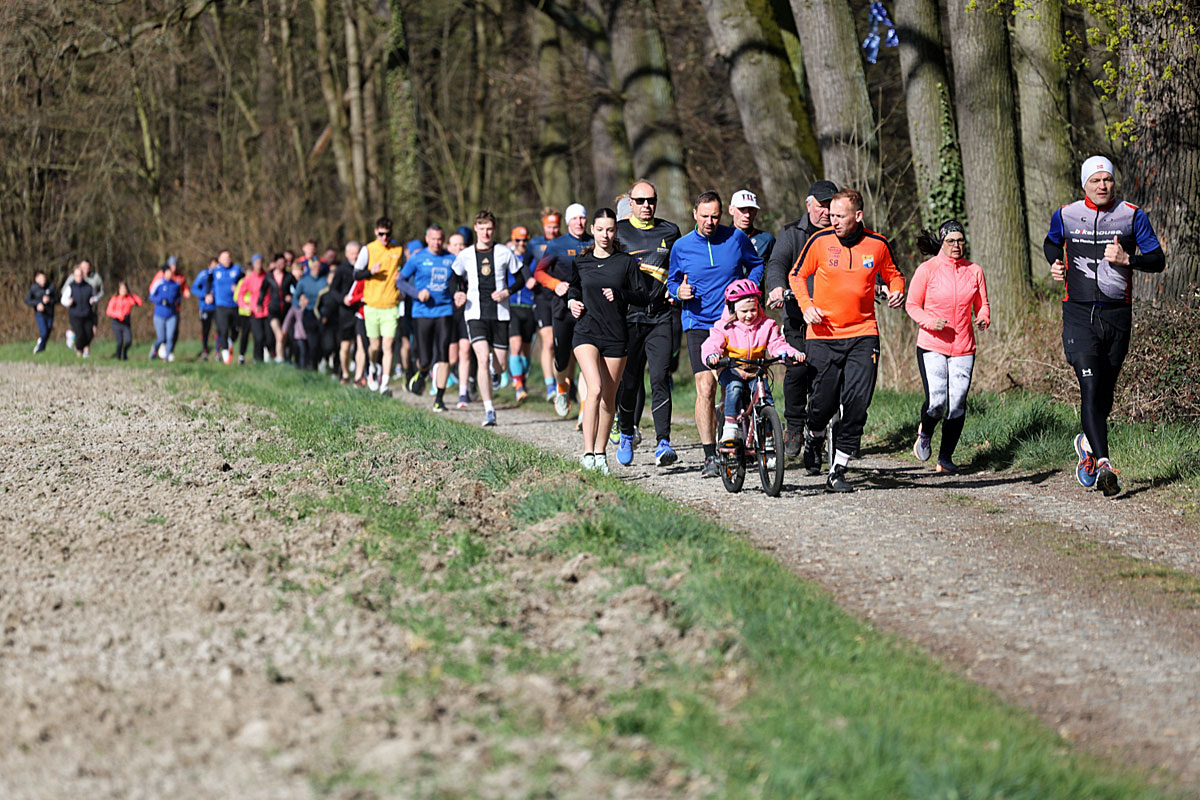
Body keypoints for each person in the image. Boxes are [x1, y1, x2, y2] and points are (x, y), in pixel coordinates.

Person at [1045, 155, 1165, 497]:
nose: (1102, 185)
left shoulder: (1132, 215)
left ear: (1114, 182)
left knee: (1105, 397)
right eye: (1095, 180)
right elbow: (1052, 241)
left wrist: (1129, 259)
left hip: (1117, 315)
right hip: (1079, 314)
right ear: (1084, 184)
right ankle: (1103, 465)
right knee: (1090, 387)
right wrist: (1055, 262)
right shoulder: (1066, 214)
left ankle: (1086, 444)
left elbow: (1158, 260)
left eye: (1107, 179)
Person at [789, 188, 905, 493]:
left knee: (857, 402)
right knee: (823, 403)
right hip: (823, 335)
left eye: (840, 216)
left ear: (858, 216)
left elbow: (894, 275)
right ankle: (814, 435)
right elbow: (796, 275)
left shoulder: (877, 244)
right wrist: (806, 306)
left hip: (863, 333)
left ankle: (838, 468)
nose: (833, 220)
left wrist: (896, 291)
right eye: (831, 215)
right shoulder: (819, 241)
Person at [667, 191, 765, 477]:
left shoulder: (736, 238)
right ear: (694, 214)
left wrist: (749, 290)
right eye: (704, 216)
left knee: (731, 385)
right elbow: (672, 280)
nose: (710, 222)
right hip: (698, 322)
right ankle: (710, 455)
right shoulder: (681, 246)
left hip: (732, 322)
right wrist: (679, 291)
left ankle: (732, 440)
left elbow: (756, 264)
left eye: (715, 216)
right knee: (705, 387)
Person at [566, 207, 656, 474]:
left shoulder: (625, 262)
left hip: (616, 335)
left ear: (616, 231)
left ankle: (600, 454)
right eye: (600, 230)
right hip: (586, 332)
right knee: (594, 389)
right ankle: (587, 454)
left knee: (608, 398)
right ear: (592, 230)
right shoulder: (581, 261)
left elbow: (643, 296)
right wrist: (572, 301)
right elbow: (574, 287)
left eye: (610, 230)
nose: (605, 235)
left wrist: (620, 294)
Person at [905, 221, 990, 473]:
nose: (956, 245)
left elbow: (982, 304)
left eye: (960, 240)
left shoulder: (974, 271)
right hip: (932, 344)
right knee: (937, 401)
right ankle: (925, 433)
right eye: (951, 241)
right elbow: (912, 305)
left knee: (957, 404)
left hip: (963, 346)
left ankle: (945, 458)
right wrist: (931, 322)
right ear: (942, 243)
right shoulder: (927, 270)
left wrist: (983, 317)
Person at [766, 179, 837, 459]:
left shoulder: (843, 234)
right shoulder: (792, 233)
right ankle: (794, 426)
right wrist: (777, 287)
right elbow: (777, 264)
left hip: (834, 319)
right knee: (797, 369)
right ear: (809, 205)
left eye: (831, 206)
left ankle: (827, 431)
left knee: (828, 376)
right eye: (821, 206)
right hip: (798, 317)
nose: (827, 212)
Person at [615, 179, 683, 468]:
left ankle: (663, 442)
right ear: (630, 203)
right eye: (640, 201)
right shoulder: (618, 232)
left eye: (651, 201)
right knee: (629, 381)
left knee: (659, 378)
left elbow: (682, 267)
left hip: (660, 317)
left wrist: (676, 288)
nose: (646, 206)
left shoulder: (670, 231)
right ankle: (626, 433)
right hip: (628, 318)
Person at [701, 279, 803, 446]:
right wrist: (712, 356)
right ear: (733, 309)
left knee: (765, 396)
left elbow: (777, 344)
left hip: (755, 370)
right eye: (744, 311)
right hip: (732, 370)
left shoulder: (767, 325)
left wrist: (790, 354)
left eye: (753, 310)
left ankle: (769, 433)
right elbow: (712, 344)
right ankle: (730, 426)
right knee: (735, 388)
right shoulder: (724, 327)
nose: (749, 315)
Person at [451, 209, 529, 426]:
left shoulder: (504, 252)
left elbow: (522, 278)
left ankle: (496, 371)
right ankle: (489, 410)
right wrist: (457, 294)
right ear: (476, 228)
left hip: (500, 314)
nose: (486, 233)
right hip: (474, 313)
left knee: (501, 365)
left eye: (489, 229)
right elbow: (454, 278)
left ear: (494, 230)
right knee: (483, 358)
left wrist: (507, 292)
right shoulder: (466, 254)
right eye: (482, 229)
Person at [534, 203, 593, 419]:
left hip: (587, 308)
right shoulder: (557, 245)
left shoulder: (593, 242)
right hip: (562, 308)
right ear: (568, 222)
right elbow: (539, 272)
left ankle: (585, 410)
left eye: (582, 218)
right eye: (575, 218)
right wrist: (555, 284)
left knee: (586, 358)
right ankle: (561, 387)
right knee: (561, 359)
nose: (579, 222)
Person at [401, 225, 457, 411]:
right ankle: (422, 373)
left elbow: (461, 280)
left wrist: (459, 293)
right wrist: (416, 294)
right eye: (433, 239)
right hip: (422, 312)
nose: (437, 243)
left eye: (440, 239)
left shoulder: (451, 259)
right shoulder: (417, 258)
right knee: (425, 359)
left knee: (443, 355)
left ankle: (439, 399)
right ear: (427, 239)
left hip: (445, 311)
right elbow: (400, 281)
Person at [354, 216, 406, 394]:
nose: (385, 238)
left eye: (388, 234)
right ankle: (372, 368)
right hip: (372, 305)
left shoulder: (398, 250)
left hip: (391, 305)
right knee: (374, 346)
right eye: (381, 234)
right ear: (376, 232)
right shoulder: (368, 249)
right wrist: (370, 272)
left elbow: (405, 271)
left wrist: (402, 280)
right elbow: (356, 274)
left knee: (388, 346)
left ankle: (385, 383)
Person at [529, 209, 562, 402]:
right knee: (548, 342)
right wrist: (528, 278)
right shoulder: (534, 244)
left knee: (563, 344)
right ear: (543, 226)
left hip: (561, 296)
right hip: (542, 297)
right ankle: (550, 386)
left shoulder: (565, 242)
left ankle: (564, 383)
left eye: (556, 226)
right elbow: (523, 264)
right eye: (549, 226)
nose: (553, 230)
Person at [505, 226, 537, 401]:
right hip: (512, 306)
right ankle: (518, 385)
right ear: (513, 240)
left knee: (525, 350)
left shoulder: (533, 258)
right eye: (518, 240)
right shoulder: (507, 258)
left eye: (525, 240)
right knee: (515, 345)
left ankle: (521, 379)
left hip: (529, 306)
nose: (521, 243)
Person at [327, 241, 361, 383]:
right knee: (345, 346)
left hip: (361, 311)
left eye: (357, 253)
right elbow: (333, 290)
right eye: (352, 253)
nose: (355, 256)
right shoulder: (341, 269)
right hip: (345, 313)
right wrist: (343, 299)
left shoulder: (364, 269)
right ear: (347, 254)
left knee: (361, 345)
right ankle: (345, 374)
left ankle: (359, 376)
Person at [446, 231, 472, 407]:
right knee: (452, 357)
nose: (459, 248)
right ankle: (438, 381)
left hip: (466, 311)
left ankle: (463, 393)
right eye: (455, 245)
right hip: (448, 312)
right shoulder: (444, 263)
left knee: (465, 351)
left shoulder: (470, 263)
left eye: (462, 244)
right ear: (449, 247)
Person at [149, 256, 192, 359]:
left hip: (173, 312)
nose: (174, 267)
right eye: (172, 265)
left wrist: (185, 293)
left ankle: (168, 356)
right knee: (162, 337)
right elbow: (152, 293)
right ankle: (157, 350)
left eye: (175, 265)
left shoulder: (179, 278)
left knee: (171, 335)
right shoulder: (159, 277)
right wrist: (160, 300)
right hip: (160, 312)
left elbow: (182, 290)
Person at [209, 249, 244, 364]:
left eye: (228, 257)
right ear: (219, 260)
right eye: (224, 258)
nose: (227, 260)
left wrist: (238, 288)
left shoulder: (237, 269)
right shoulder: (214, 271)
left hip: (235, 305)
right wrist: (208, 294)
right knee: (223, 330)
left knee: (236, 330)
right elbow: (208, 283)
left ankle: (230, 342)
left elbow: (245, 282)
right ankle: (225, 355)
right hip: (221, 305)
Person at [235, 255, 271, 363]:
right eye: (256, 263)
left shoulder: (268, 277)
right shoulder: (249, 279)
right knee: (258, 337)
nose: (259, 265)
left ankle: (270, 357)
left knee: (269, 338)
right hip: (255, 313)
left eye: (260, 263)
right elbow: (240, 295)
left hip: (268, 311)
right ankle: (257, 360)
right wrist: (244, 306)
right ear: (253, 265)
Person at [295, 254, 328, 369]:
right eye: (315, 265)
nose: (317, 268)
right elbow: (295, 298)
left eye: (319, 265)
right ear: (310, 266)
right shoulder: (304, 281)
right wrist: (300, 303)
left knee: (323, 343)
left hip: (322, 315)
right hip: (309, 314)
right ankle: (313, 366)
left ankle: (320, 362)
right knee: (312, 343)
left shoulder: (324, 281)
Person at [61, 259, 103, 351]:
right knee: (80, 334)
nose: (85, 269)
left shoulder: (91, 283)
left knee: (90, 333)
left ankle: (80, 347)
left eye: (87, 267)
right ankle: (81, 350)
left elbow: (98, 293)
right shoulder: (71, 284)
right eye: (83, 267)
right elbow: (63, 296)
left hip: (89, 312)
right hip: (76, 313)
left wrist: (94, 300)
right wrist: (68, 302)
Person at [264, 254, 295, 363]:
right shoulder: (269, 276)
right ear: (275, 263)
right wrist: (259, 304)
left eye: (284, 263)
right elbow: (262, 291)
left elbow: (297, 289)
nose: (282, 265)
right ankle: (280, 358)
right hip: (273, 309)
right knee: (279, 335)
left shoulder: (289, 276)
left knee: (284, 336)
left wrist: (291, 297)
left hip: (286, 310)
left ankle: (283, 357)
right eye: (280, 263)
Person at [729, 189, 775, 260]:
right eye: (742, 209)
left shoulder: (767, 240)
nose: (747, 215)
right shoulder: (720, 238)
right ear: (731, 210)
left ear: (756, 212)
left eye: (751, 209)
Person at [106, 281, 142, 360]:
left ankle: (124, 352)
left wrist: (132, 295)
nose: (123, 290)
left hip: (126, 322)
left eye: (125, 288)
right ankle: (118, 356)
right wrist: (118, 314)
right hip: (116, 322)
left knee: (128, 341)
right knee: (119, 342)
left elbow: (139, 303)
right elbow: (108, 311)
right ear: (118, 289)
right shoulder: (114, 299)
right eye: (121, 288)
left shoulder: (129, 298)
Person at [25, 271, 59, 354]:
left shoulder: (51, 287)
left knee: (48, 332)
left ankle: (40, 348)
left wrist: (49, 300)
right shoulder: (33, 288)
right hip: (40, 314)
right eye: (41, 279)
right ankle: (40, 349)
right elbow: (27, 300)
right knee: (44, 332)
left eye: (44, 278)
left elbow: (58, 298)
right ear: (36, 279)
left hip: (50, 313)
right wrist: (37, 304)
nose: (43, 280)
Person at [192, 258, 218, 360]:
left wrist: (214, 296)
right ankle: (205, 350)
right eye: (213, 265)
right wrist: (205, 295)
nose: (215, 267)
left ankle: (218, 351)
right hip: (205, 307)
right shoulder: (203, 274)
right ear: (209, 265)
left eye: (217, 265)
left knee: (220, 329)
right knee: (205, 330)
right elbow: (194, 288)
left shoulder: (220, 275)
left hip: (218, 307)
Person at [280, 295, 309, 369]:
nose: (303, 302)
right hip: (299, 333)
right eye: (301, 300)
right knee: (302, 350)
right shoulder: (295, 308)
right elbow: (288, 319)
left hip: (309, 333)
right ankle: (302, 367)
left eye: (305, 299)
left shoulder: (311, 309)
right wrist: (284, 329)